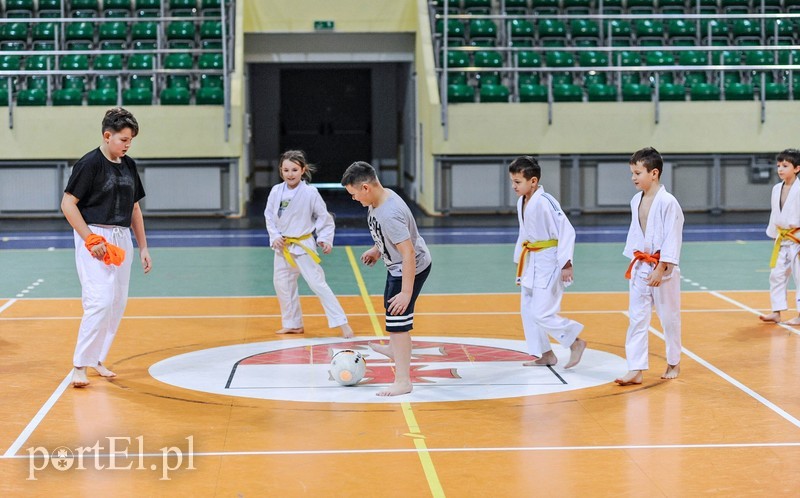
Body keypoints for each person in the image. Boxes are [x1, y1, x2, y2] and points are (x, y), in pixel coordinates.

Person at [61, 108, 152, 388]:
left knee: (116, 304)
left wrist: (144, 247)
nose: (127, 144)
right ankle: (79, 365)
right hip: (96, 236)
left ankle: (97, 359)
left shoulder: (129, 165)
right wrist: (91, 238)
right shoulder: (89, 164)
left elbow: (134, 208)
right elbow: (68, 204)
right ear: (107, 135)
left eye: (131, 140)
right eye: (123, 139)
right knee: (98, 301)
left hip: (121, 237)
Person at [341, 161, 432, 396]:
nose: (353, 199)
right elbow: (388, 236)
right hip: (396, 267)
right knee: (392, 315)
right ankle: (394, 348)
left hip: (409, 268)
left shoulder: (388, 212)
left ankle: (403, 381)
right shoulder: (379, 198)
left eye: (353, 194)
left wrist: (406, 292)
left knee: (399, 322)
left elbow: (408, 252)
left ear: (365, 188)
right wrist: (377, 249)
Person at [265, 150, 355, 338]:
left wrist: (324, 239)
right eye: (286, 170)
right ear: (281, 171)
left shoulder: (310, 193)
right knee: (282, 284)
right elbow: (269, 216)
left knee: (317, 284)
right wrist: (274, 236)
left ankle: (342, 323)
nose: (290, 174)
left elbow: (324, 217)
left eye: (294, 170)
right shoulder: (276, 191)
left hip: (303, 244)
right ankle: (292, 323)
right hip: (283, 246)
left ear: (303, 170)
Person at [510, 156, 586, 369]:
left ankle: (575, 342)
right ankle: (546, 354)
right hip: (531, 259)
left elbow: (567, 230)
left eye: (518, 182)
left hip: (550, 260)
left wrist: (566, 264)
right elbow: (524, 233)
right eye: (513, 181)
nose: (514, 186)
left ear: (533, 181)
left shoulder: (546, 202)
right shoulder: (522, 202)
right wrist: (519, 259)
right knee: (527, 310)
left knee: (541, 312)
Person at [616, 147, 684, 386]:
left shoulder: (668, 202)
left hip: (662, 268)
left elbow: (672, 238)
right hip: (640, 265)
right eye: (632, 172)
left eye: (638, 172)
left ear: (654, 173)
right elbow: (636, 233)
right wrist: (634, 261)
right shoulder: (636, 199)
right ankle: (635, 369)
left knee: (668, 318)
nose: (634, 177)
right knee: (636, 318)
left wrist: (661, 267)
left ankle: (674, 362)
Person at [759, 149, 800, 325]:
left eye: (785, 166)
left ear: (797, 168)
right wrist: (774, 233)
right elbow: (775, 214)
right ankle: (777, 311)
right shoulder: (776, 189)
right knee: (776, 275)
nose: (780, 169)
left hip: (797, 239)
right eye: (778, 166)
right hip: (782, 239)